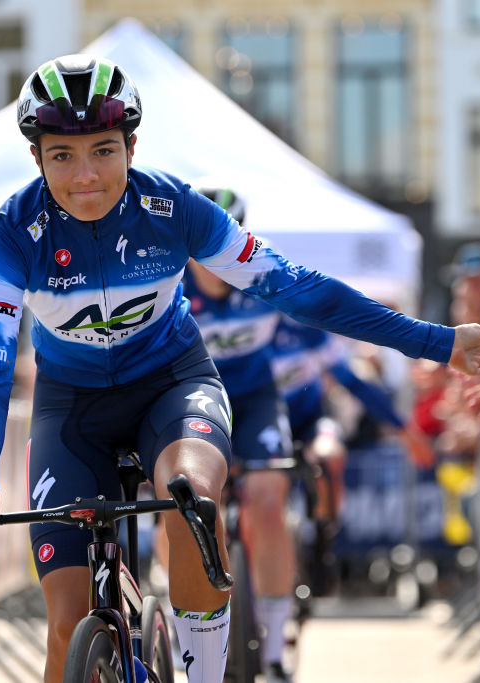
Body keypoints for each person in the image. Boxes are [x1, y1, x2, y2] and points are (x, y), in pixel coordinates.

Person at [0, 54, 480, 683]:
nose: (85, 177)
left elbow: (298, 290)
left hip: (172, 386)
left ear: (133, 145)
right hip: (70, 409)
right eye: (62, 157)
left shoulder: (174, 207)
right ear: (37, 158)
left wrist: (436, 341)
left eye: (103, 151)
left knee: (192, 501)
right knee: (63, 625)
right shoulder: (9, 234)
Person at [181, 185, 295, 682]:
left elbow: (320, 324)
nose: (217, 259)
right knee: (189, 506)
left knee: (269, 500)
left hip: (254, 401)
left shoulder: (264, 274)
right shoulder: (170, 286)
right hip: (193, 403)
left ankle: (273, 644)